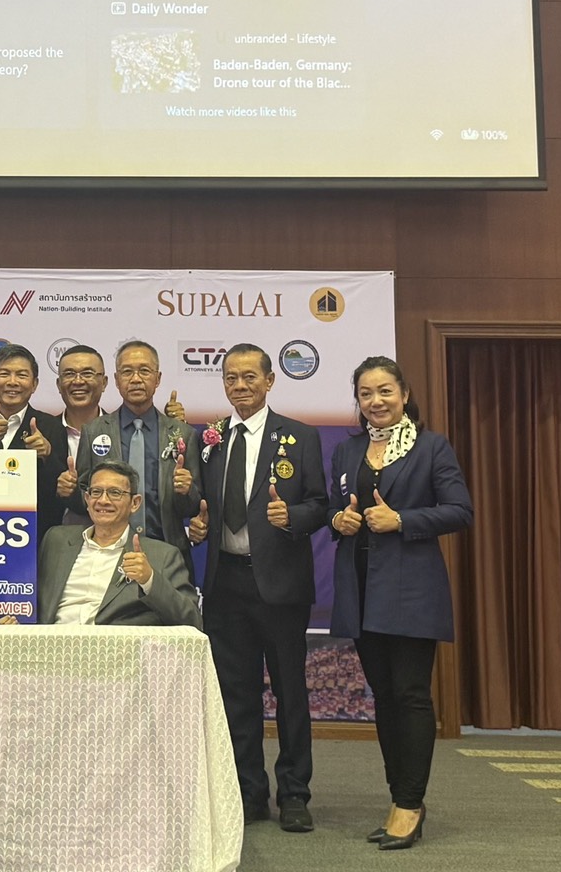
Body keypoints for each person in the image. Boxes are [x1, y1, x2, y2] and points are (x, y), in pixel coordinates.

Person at [328, 356, 473, 850]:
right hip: (361, 591)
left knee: (410, 696)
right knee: (385, 698)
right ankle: (399, 798)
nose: (376, 401)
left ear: (404, 394)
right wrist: (338, 521)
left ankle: (411, 803)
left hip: (411, 591)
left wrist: (404, 520)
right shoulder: (347, 451)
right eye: (366, 393)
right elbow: (336, 508)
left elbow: (460, 511)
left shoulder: (432, 447)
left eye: (385, 391)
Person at [188, 342, 326, 832]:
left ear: (269, 381)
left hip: (280, 585)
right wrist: (197, 526)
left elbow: (320, 505)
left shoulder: (300, 436)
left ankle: (294, 793)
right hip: (225, 582)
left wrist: (293, 516)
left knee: (290, 694)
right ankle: (248, 792)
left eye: (250, 377)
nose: (240, 385)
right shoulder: (209, 437)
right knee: (236, 695)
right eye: (231, 377)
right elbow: (201, 504)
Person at [75, 340, 201, 574]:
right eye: (127, 372)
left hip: (167, 553)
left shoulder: (182, 433)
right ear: (116, 380)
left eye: (144, 371)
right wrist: (72, 491)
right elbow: (83, 495)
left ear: (158, 378)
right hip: (108, 555)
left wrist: (186, 491)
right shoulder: (94, 431)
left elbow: (193, 506)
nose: (135, 379)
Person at [36, 460, 201, 627]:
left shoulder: (162, 556)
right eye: (96, 492)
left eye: (115, 493)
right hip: (53, 640)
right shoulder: (56, 540)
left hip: (115, 642)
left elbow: (191, 620)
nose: (103, 500)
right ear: (87, 499)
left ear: (135, 503)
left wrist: (149, 580)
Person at [0, 344, 67, 541]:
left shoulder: (50, 426)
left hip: (29, 533)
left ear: (34, 384)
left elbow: (60, 492)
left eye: (21, 375)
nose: (12, 382)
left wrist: (47, 456)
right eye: (4, 374)